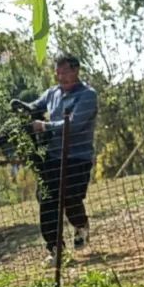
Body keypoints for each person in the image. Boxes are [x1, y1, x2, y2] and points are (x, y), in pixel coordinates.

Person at [23, 53, 98, 256]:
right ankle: (55, 249)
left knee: (70, 198)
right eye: (57, 72)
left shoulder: (87, 95)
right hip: (54, 156)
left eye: (64, 71)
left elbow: (73, 125)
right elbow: (35, 106)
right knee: (47, 199)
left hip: (77, 157)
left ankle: (81, 225)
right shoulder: (52, 93)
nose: (60, 76)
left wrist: (44, 126)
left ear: (76, 70)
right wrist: (23, 109)